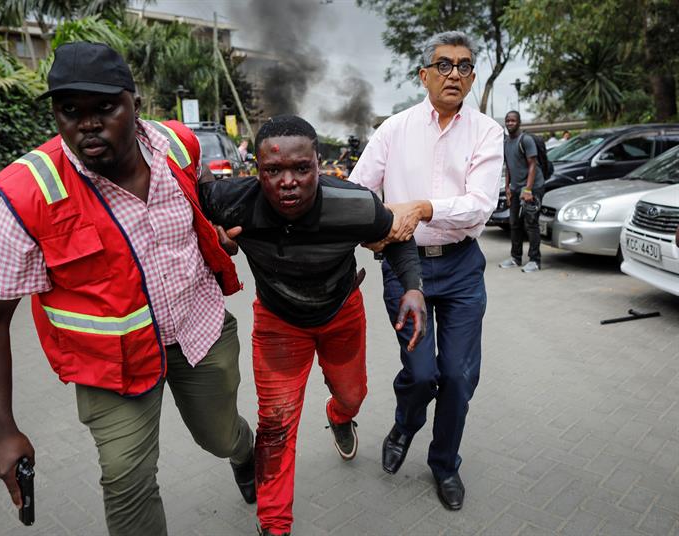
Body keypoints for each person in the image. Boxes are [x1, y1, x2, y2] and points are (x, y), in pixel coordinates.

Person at [0, 42, 255, 536]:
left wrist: (215, 230)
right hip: (110, 364)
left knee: (220, 435)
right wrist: (1, 429)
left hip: (199, 331)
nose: (87, 124)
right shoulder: (29, 194)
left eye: (104, 107)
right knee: (126, 478)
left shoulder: (177, 146)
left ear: (134, 105)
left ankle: (244, 455)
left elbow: (200, 202)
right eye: (69, 111)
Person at [200, 115, 427, 536]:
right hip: (278, 324)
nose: (288, 181)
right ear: (257, 170)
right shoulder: (231, 201)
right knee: (275, 424)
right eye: (273, 171)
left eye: (301, 169)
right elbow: (175, 204)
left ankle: (340, 416)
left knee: (353, 394)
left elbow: (397, 238)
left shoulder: (354, 203)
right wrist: (209, 234)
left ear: (318, 166)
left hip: (341, 315)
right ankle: (274, 524)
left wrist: (413, 287)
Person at [349, 30, 503, 511]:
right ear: (424, 74)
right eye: (443, 65)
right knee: (420, 375)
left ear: (473, 77)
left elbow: (479, 206)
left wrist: (421, 207)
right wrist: (367, 225)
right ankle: (404, 424)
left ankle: (444, 464)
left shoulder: (487, 132)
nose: (453, 73)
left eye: (463, 66)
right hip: (404, 266)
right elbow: (358, 191)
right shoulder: (393, 129)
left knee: (457, 377)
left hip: (460, 267)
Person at [499, 110, 544, 272]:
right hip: (516, 188)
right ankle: (515, 258)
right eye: (507, 120)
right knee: (514, 223)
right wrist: (508, 187)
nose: (510, 123)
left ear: (519, 122)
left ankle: (535, 260)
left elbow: (533, 164)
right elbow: (509, 166)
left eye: (513, 120)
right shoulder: (506, 142)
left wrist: (528, 189)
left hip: (532, 187)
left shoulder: (526, 140)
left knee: (531, 224)